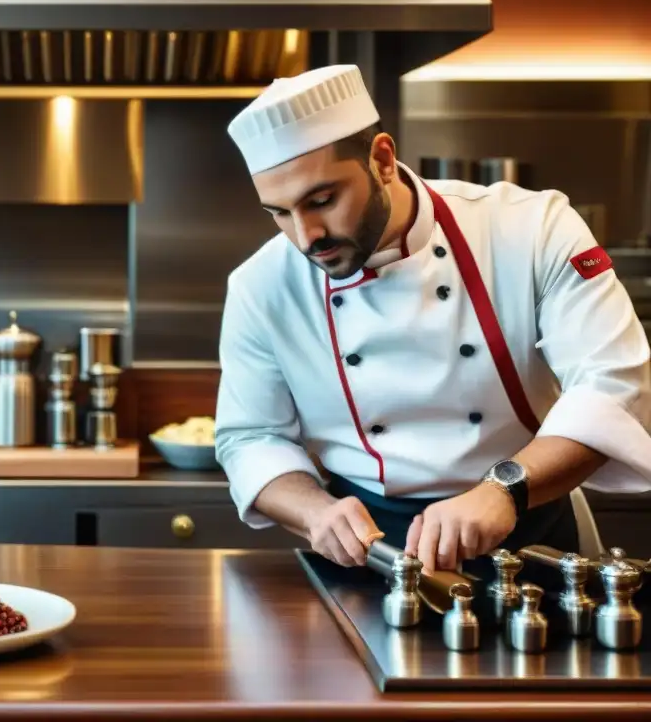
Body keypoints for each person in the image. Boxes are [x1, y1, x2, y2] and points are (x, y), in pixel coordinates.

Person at [215, 64, 651, 574]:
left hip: (533, 537)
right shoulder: (260, 285)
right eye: (279, 212)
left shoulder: (532, 229)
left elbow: (612, 386)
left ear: (381, 159)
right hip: (372, 557)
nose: (306, 235)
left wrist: (504, 489)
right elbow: (250, 437)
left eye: (323, 200)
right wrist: (316, 513)